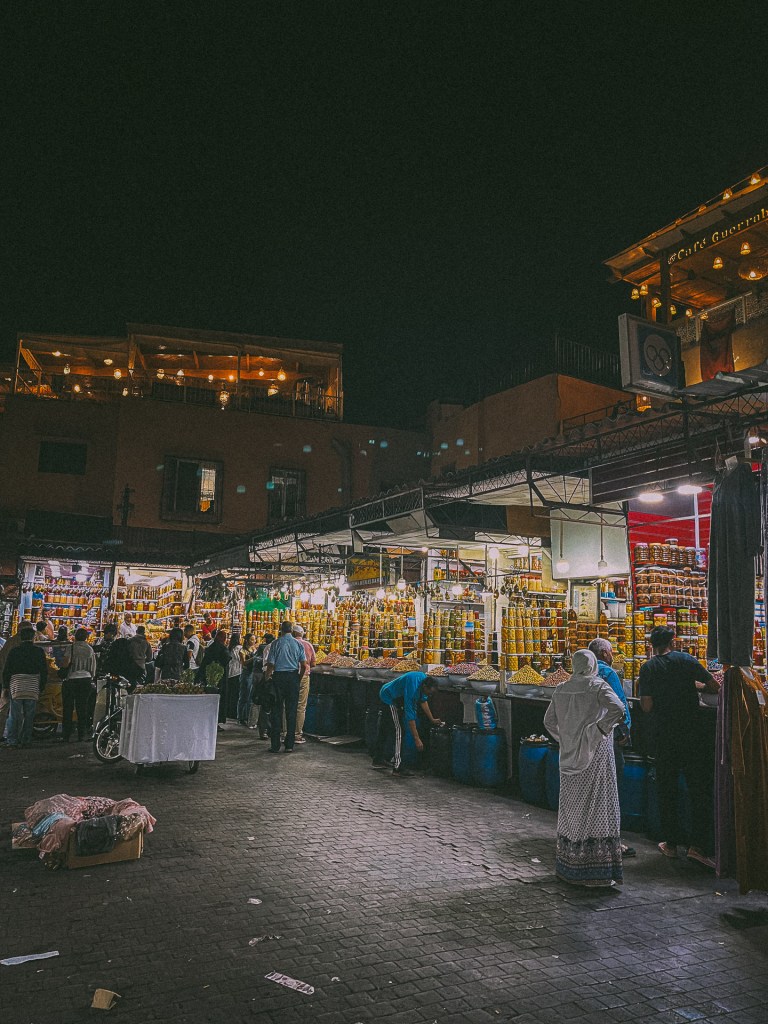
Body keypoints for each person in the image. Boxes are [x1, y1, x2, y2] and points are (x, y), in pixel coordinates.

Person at [544, 648, 626, 888]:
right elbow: (618, 709)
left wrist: (565, 738)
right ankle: (596, 872)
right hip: (597, 754)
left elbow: (549, 721)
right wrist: (599, 730)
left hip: (568, 756)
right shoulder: (598, 686)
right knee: (598, 805)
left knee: (572, 806)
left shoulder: (561, 689)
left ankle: (570, 867)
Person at [639, 625, 721, 868]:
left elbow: (646, 706)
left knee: (667, 789)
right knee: (699, 788)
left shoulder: (648, 668)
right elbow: (715, 686)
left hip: (664, 737)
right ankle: (698, 847)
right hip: (692, 734)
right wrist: (695, 687)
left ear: (652, 646)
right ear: (672, 643)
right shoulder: (686, 660)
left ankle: (671, 845)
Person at [588, 637, 636, 858]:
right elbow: (620, 705)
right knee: (611, 785)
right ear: (605, 654)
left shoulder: (578, 678)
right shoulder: (608, 674)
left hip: (585, 742)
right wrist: (623, 729)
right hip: (607, 738)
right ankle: (613, 840)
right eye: (611, 652)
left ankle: (590, 835)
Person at [370, 671, 443, 777]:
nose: (429, 695)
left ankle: (378, 759)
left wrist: (432, 719)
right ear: (424, 686)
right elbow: (410, 716)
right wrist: (416, 738)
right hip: (389, 698)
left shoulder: (423, 679)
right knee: (399, 731)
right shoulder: (412, 689)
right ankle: (398, 767)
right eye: (428, 692)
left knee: (385, 728)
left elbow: (423, 700)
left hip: (391, 694)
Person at [2, 624, 48, 748]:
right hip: (32, 685)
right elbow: (44, 670)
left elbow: (7, 670)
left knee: (14, 714)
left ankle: (12, 740)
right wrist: (42, 685)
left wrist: (5, 685)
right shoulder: (38, 651)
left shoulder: (14, 651)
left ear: (21, 638)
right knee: (29, 714)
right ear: (33, 637)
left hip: (16, 684)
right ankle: (26, 740)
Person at [264, 621, 306, 753]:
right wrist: (298, 678)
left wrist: (267, 679)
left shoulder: (276, 644)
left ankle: (275, 745)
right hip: (293, 678)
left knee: (276, 712)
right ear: (292, 631)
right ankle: (289, 745)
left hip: (278, 679)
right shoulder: (298, 644)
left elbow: (270, 665)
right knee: (291, 711)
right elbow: (304, 665)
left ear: (280, 630)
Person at [0, 619, 33, 743]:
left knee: (8, 710)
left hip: (8, 680)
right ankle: (17, 737)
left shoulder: (11, 642)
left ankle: (11, 736)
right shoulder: (19, 645)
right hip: (14, 682)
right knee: (13, 711)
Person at [61, 627, 96, 742]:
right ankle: (81, 734)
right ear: (86, 637)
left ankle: (66, 735)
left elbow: (65, 663)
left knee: (68, 708)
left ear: (75, 636)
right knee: (82, 708)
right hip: (85, 680)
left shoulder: (71, 648)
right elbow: (93, 668)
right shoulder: (90, 649)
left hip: (71, 680)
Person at [197, 629, 231, 725]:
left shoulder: (212, 647)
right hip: (219, 678)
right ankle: (216, 720)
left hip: (209, 677)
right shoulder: (222, 648)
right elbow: (226, 659)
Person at [292, 624, 316, 743]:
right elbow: (313, 663)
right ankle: (297, 734)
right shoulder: (308, 645)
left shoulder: (288, 644)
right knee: (301, 706)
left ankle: (286, 732)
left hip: (290, 675)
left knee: (287, 704)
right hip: (304, 676)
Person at [251, 632, 275, 738]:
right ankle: (264, 729)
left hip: (276, 677)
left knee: (272, 705)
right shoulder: (268, 648)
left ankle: (270, 729)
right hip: (269, 677)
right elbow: (267, 665)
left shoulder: (269, 647)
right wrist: (266, 678)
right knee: (266, 704)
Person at [236, 633, 256, 726]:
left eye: (254, 639)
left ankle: (248, 716)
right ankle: (241, 717)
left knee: (250, 697)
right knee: (244, 696)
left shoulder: (255, 649)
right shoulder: (242, 650)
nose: (254, 641)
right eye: (252, 639)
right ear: (247, 640)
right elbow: (243, 663)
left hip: (253, 674)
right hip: (246, 674)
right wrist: (253, 658)